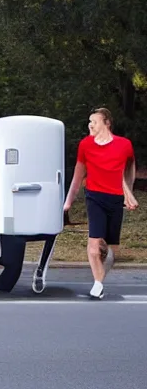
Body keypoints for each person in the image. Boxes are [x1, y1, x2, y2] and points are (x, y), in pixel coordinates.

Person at [64, 108, 138, 299]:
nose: (90, 125)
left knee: (112, 252)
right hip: (94, 197)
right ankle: (98, 285)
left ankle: (99, 278)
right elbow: (77, 177)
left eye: (94, 121)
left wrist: (128, 191)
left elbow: (130, 166)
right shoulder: (85, 145)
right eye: (89, 121)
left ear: (106, 123)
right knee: (94, 245)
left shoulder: (124, 145)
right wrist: (68, 202)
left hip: (115, 199)